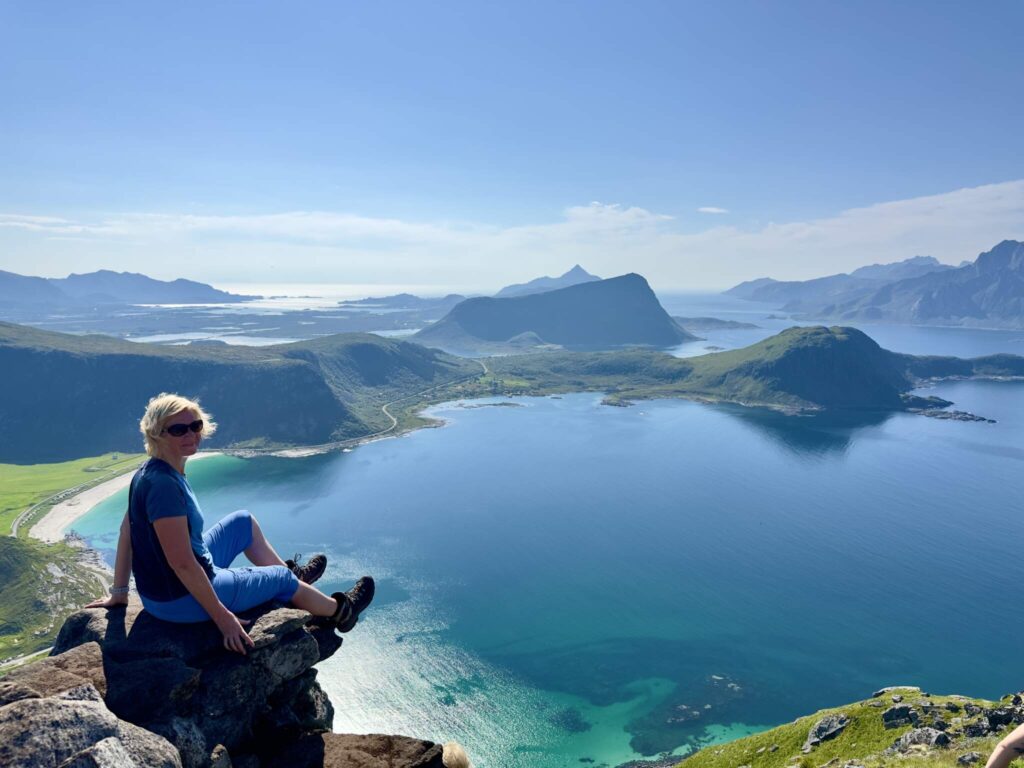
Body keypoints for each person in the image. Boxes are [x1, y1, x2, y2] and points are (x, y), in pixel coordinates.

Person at [86, 393, 373, 655]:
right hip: (181, 599)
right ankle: (340, 611)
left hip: (163, 592)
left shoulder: (150, 471)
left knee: (242, 522)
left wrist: (120, 594)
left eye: (195, 425)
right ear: (156, 434)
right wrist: (223, 618)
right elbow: (182, 563)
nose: (191, 434)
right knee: (281, 579)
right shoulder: (163, 487)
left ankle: (295, 583)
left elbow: (127, 532)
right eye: (178, 429)